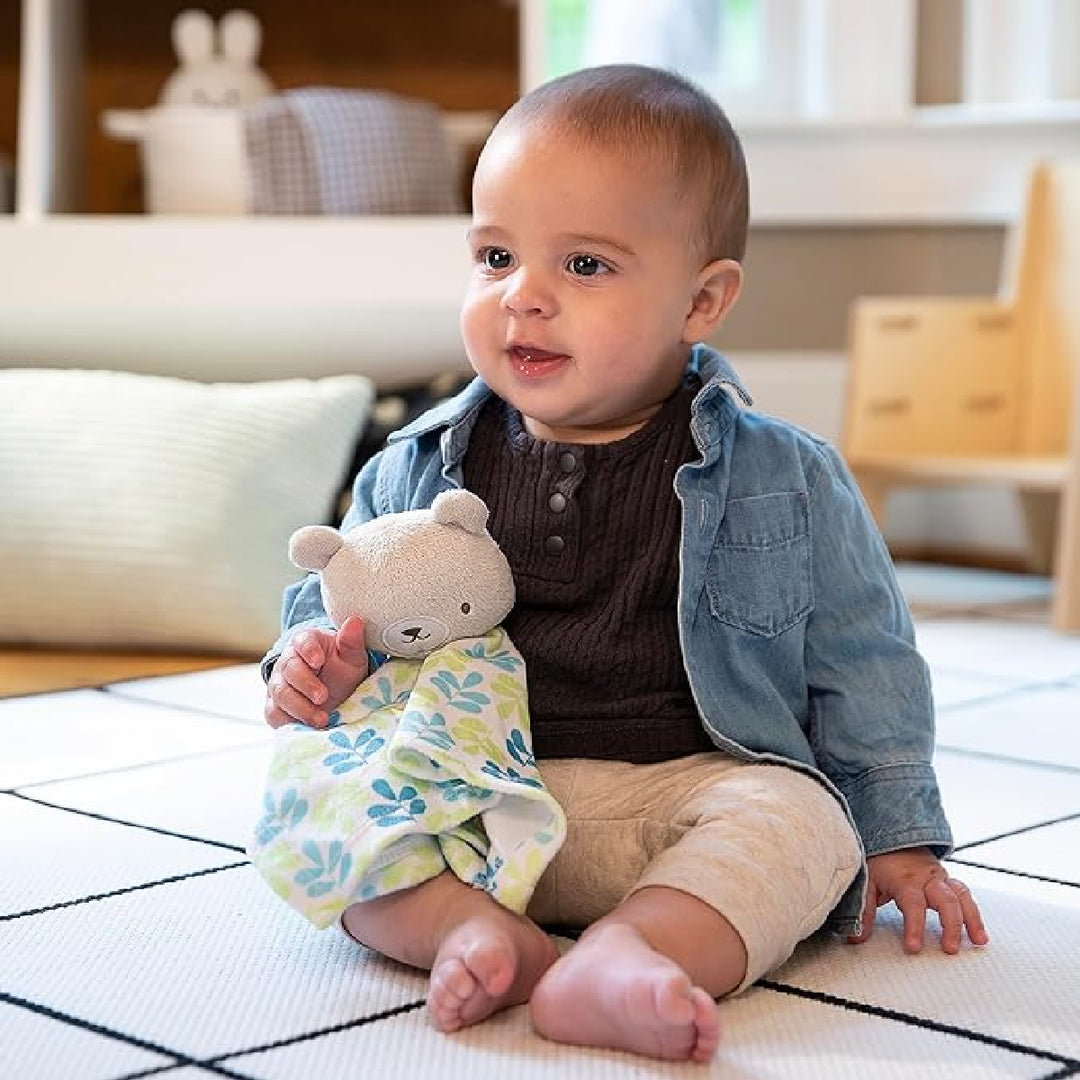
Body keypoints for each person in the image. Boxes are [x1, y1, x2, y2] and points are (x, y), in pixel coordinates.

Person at [261, 64, 987, 1063]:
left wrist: (900, 838)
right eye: (497, 254)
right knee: (322, 807)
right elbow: (327, 612)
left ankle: (633, 952)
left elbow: (864, 660)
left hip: (679, 799)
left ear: (702, 300)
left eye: (586, 266)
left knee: (808, 823)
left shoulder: (784, 475)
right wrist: (315, 669)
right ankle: (470, 933)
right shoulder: (418, 464)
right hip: (473, 800)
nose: (525, 296)